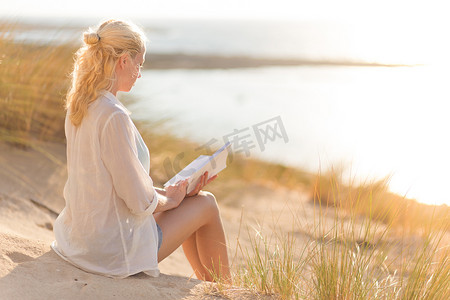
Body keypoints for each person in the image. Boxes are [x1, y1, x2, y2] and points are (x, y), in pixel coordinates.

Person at [51, 19, 230, 282]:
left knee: (192, 199)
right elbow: (136, 200)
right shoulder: (113, 116)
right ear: (123, 61)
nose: (139, 73)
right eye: (139, 64)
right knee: (206, 203)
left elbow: (114, 186)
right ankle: (229, 289)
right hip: (109, 252)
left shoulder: (80, 104)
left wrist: (173, 195)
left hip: (79, 241)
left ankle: (213, 286)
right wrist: (172, 201)